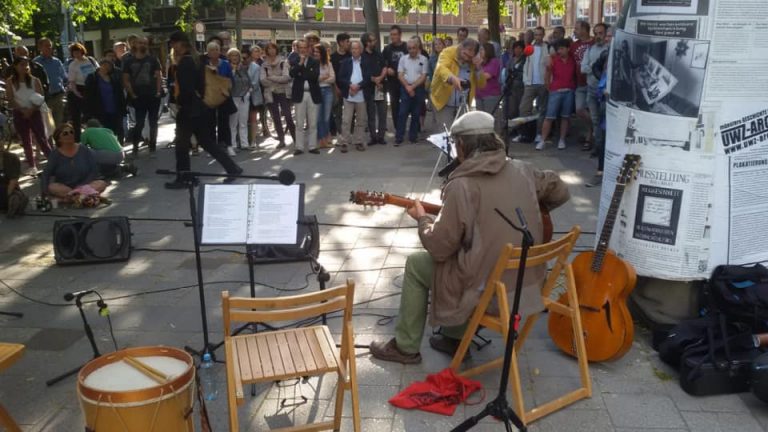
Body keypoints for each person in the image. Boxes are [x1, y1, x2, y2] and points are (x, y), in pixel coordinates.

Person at [368, 111, 570, 364]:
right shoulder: (523, 169)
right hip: (526, 286)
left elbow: (439, 247)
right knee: (471, 255)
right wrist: (539, 213)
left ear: (461, 145)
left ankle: (405, 347)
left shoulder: (461, 185)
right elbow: (561, 191)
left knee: (417, 264)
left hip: (488, 293)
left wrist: (422, 220)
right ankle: (454, 338)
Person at [165, 31, 242, 189]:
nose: (172, 46)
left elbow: (186, 89)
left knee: (182, 144)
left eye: (173, 43)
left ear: (180, 44)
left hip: (189, 109)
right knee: (206, 142)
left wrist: (179, 103)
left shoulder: (185, 62)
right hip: (200, 107)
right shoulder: (197, 59)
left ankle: (184, 177)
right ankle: (233, 168)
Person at [5, 56, 52, 175]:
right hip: (19, 113)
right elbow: (10, 99)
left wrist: (31, 110)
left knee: (42, 138)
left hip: (35, 112)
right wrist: (22, 110)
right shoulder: (10, 81)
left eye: (26, 65)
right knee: (26, 140)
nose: (25, 67)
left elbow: (41, 97)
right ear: (15, 66)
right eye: (21, 64)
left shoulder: (34, 80)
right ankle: (32, 165)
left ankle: (53, 162)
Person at [430, 38, 485, 133]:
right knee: (446, 136)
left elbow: (481, 84)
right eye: (465, 54)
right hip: (444, 103)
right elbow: (441, 69)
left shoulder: (473, 61)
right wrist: (453, 79)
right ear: (460, 47)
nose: (467, 58)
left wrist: (478, 68)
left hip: (463, 104)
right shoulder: (447, 52)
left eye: (470, 57)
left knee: (461, 136)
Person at [42, 123, 108, 202]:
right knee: (52, 187)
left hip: (85, 186)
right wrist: (44, 192)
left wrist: (82, 185)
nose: (70, 135)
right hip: (65, 187)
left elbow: (94, 170)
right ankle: (83, 197)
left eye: (71, 132)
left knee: (101, 183)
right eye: (65, 133)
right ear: (59, 139)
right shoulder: (55, 154)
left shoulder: (84, 149)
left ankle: (72, 198)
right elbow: (46, 174)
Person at [122, 36, 162, 157]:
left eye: (145, 43)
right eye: (140, 43)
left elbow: (158, 76)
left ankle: (153, 146)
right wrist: (132, 94)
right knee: (139, 123)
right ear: (135, 45)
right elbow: (126, 79)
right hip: (138, 97)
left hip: (152, 95)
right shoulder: (129, 61)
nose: (142, 45)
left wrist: (158, 91)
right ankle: (135, 146)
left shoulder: (153, 60)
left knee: (153, 122)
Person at [537, 39, 577, 151]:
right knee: (549, 116)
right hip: (556, 90)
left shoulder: (572, 60)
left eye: (562, 48)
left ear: (568, 49)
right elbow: (547, 74)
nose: (560, 51)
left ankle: (562, 139)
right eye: (558, 49)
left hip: (569, 90)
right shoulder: (553, 60)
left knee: (565, 117)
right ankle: (542, 140)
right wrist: (548, 87)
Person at [582, 24, 610, 175]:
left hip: (605, 94)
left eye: (601, 33)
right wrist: (596, 73)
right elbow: (584, 68)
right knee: (595, 120)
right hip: (592, 90)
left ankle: (602, 151)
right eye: (596, 33)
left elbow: (592, 68)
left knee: (603, 123)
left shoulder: (609, 50)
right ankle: (598, 148)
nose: (598, 36)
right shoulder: (590, 50)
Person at [289, 39, 322, 156]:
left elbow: (314, 76)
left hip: (312, 94)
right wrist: (300, 64)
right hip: (299, 94)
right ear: (297, 49)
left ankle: (313, 146)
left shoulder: (315, 61)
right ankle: (299, 147)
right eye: (300, 48)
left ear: (309, 49)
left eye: (305, 47)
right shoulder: (294, 60)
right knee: (299, 122)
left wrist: (301, 73)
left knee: (313, 123)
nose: (303, 50)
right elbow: (292, 74)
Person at [261, 42, 296, 149]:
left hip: (283, 92)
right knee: (276, 117)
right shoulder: (264, 65)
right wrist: (277, 79)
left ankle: (295, 139)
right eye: (269, 49)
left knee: (288, 116)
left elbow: (286, 78)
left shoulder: (283, 62)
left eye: (273, 48)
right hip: (270, 93)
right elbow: (262, 80)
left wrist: (271, 77)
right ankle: (281, 140)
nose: (271, 51)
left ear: (276, 50)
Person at [517, 26, 549, 144]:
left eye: (540, 35)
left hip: (543, 83)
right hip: (530, 83)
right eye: (536, 35)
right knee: (524, 109)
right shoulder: (529, 48)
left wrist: (547, 81)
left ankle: (539, 133)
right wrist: (526, 80)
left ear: (543, 35)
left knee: (541, 109)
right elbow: (526, 65)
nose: (538, 37)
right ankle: (525, 133)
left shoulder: (547, 48)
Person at [395, 37, 428, 146]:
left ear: (418, 48)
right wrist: (408, 87)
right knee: (402, 113)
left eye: (413, 48)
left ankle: (413, 137)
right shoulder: (403, 59)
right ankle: (399, 137)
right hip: (405, 88)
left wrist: (412, 87)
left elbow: (423, 76)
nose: (411, 50)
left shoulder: (423, 59)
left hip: (418, 89)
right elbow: (400, 74)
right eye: (409, 48)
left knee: (416, 113)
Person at [336, 40, 368, 153]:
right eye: (352, 48)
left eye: (356, 48)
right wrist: (350, 85)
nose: (354, 50)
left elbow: (368, 78)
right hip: (349, 94)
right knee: (346, 120)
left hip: (361, 94)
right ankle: (344, 142)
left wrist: (358, 86)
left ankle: (358, 141)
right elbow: (340, 77)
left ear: (361, 50)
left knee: (360, 120)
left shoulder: (365, 62)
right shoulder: (345, 62)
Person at [85, 58, 126, 143]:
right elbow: (88, 95)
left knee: (119, 129)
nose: (106, 68)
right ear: (100, 66)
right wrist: (89, 111)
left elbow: (120, 93)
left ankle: (119, 147)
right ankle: (110, 148)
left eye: (109, 66)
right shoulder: (92, 78)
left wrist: (123, 107)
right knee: (106, 130)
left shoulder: (113, 78)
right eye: (105, 66)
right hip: (101, 109)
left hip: (115, 108)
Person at [67, 43, 99, 142]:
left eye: (78, 52)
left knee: (91, 115)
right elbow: (71, 82)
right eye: (74, 53)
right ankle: (78, 140)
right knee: (77, 118)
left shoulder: (90, 60)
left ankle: (94, 136)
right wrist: (77, 93)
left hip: (91, 89)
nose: (77, 54)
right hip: (78, 89)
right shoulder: (73, 64)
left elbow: (98, 72)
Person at [204, 41, 233, 150]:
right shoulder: (204, 64)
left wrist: (227, 89)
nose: (214, 52)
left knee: (224, 122)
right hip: (209, 96)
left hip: (223, 95)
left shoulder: (225, 63)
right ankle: (211, 147)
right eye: (212, 50)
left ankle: (226, 144)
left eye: (216, 49)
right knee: (210, 122)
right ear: (208, 52)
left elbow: (230, 79)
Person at [570, 21, 593, 151]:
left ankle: (590, 137)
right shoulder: (574, 46)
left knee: (592, 111)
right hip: (579, 83)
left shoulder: (594, 43)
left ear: (584, 29)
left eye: (577, 29)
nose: (574, 31)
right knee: (579, 109)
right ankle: (594, 128)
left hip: (592, 83)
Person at [34, 38, 67, 127]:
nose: (49, 48)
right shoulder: (35, 63)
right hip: (44, 98)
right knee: (46, 124)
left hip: (58, 95)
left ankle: (59, 140)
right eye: (46, 46)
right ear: (40, 48)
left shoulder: (57, 61)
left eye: (50, 46)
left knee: (58, 122)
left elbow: (64, 77)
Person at [361, 33, 387, 147]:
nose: (375, 42)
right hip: (369, 88)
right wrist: (373, 79)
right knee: (371, 114)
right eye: (373, 40)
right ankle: (373, 137)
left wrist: (380, 78)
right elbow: (362, 72)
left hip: (380, 88)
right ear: (367, 42)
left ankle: (381, 136)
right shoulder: (362, 56)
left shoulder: (378, 54)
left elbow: (384, 67)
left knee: (382, 113)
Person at [382, 25, 409, 132]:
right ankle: (398, 129)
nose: (393, 37)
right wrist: (387, 68)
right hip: (392, 82)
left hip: (406, 81)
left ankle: (405, 125)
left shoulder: (406, 47)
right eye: (391, 35)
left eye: (395, 35)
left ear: (400, 35)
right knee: (394, 105)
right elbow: (382, 63)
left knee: (406, 105)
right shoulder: (387, 49)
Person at [228, 48, 252, 154]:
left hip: (244, 97)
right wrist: (233, 70)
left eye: (236, 55)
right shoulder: (227, 67)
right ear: (229, 57)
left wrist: (248, 91)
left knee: (243, 122)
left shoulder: (244, 68)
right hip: (233, 97)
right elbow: (228, 82)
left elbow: (249, 81)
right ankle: (233, 144)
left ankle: (244, 143)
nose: (234, 57)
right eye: (232, 55)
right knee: (233, 123)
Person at [475, 42, 503, 132]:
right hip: (479, 95)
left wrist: (478, 67)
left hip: (491, 95)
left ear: (488, 51)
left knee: (491, 118)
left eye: (482, 50)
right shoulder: (480, 62)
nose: (480, 52)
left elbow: (486, 76)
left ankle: (495, 139)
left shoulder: (494, 62)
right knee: (480, 119)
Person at [314, 43, 336, 149]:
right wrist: (324, 77)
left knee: (326, 117)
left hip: (327, 91)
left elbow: (333, 78)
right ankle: (321, 139)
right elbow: (313, 79)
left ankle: (326, 138)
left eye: (317, 52)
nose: (315, 53)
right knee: (318, 117)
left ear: (322, 53)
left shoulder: (328, 64)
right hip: (317, 91)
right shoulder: (312, 64)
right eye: (314, 52)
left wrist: (321, 78)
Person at [330, 33, 351, 138]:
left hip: (349, 89)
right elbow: (332, 74)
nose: (349, 43)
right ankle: (340, 133)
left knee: (350, 113)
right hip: (337, 89)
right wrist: (336, 88)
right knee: (338, 113)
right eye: (347, 41)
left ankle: (348, 133)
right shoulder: (333, 57)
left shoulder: (351, 55)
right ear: (341, 42)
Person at [248, 45, 269, 144]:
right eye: (255, 51)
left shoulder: (262, 63)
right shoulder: (247, 63)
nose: (257, 53)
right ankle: (253, 133)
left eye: (258, 51)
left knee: (263, 111)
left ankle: (265, 128)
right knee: (252, 113)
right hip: (251, 90)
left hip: (261, 89)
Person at [504, 41, 527, 134]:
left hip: (520, 87)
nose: (518, 50)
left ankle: (519, 128)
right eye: (516, 48)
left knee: (519, 108)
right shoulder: (510, 60)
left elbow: (524, 74)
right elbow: (506, 72)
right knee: (510, 109)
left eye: (520, 48)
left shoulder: (525, 60)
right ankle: (512, 128)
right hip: (510, 87)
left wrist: (516, 74)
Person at [0, 146, 27, 218]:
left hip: (7, 188)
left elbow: (13, 181)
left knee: (14, 195)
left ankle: (13, 203)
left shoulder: (11, 158)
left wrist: (7, 198)